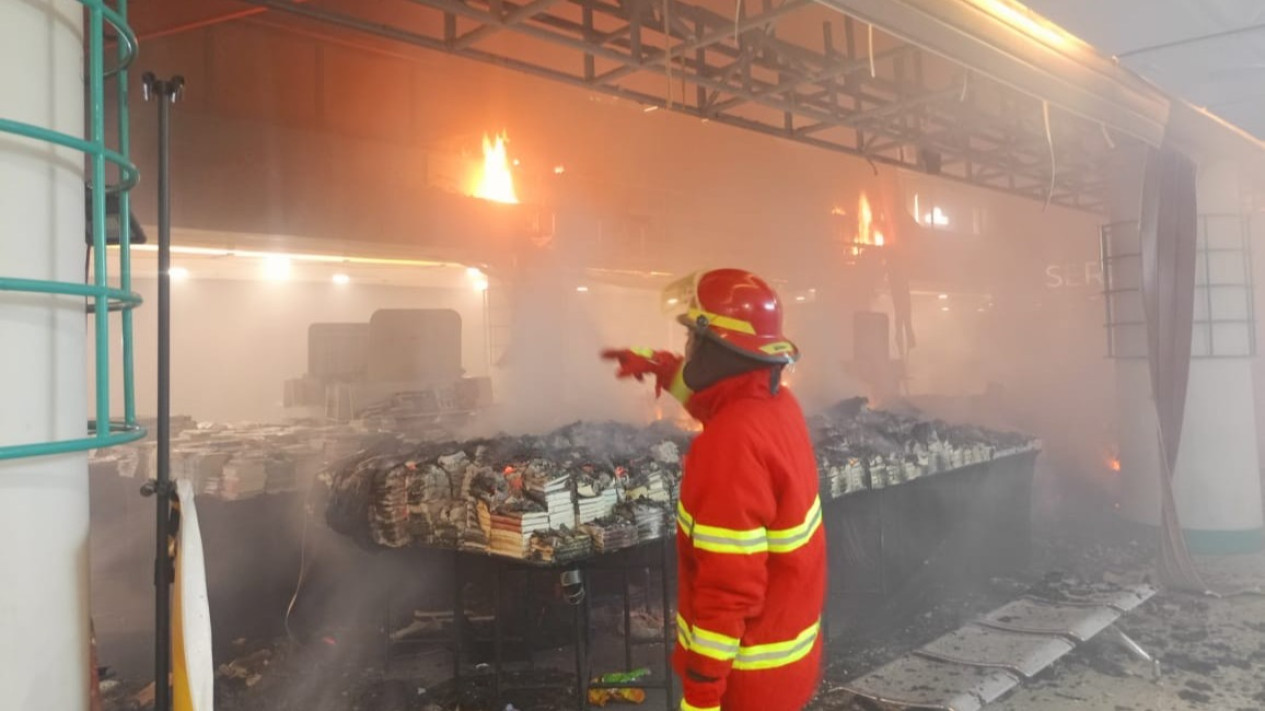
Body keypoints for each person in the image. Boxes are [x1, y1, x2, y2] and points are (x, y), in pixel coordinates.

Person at [602, 268, 826, 711]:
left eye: (692, 337)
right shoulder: (776, 405)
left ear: (717, 346)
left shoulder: (729, 445)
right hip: (785, 664)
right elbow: (720, 399)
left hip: (744, 685)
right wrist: (663, 367)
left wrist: (702, 695)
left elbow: (728, 588)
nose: (687, 346)